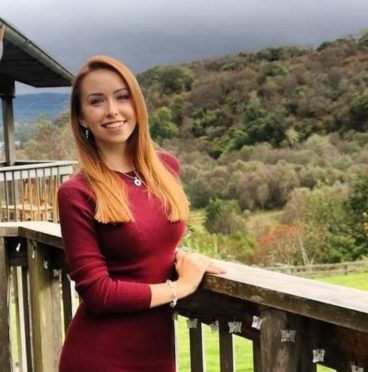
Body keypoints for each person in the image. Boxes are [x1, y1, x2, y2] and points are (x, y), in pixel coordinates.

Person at [57, 55, 225, 372]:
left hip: (157, 352)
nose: (112, 111)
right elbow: (98, 293)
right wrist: (182, 287)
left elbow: (150, 241)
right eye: (96, 101)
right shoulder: (77, 193)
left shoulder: (165, 168)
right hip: (101, 356)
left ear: (137, 104)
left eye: (122, 97)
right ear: (81, 117)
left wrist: (184, 259)